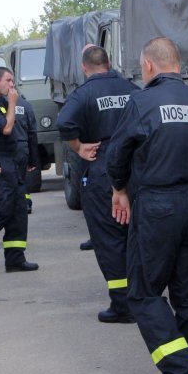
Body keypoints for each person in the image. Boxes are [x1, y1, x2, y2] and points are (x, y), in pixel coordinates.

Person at [107, 37, 188, 374]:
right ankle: (183, 371)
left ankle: (183, 372)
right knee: (186, 292)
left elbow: (117, 153)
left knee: (142, 292)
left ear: (149, 66)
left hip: (157, 206)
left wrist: (119, 187)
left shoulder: (141, 102)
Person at [57, 44, 139, 323]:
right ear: (109, 62)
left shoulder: (83, 94)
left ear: (84, 67)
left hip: (102, 167)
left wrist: (79, 147)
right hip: (134, 169)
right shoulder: (132, 89)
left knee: (108, 239)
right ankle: (142, 297)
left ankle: (122, 305)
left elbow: (64, 123)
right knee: (134, 235)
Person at [0, 67, 38, 273]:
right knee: (2, 208)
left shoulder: (2, 101)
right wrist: (13, 104)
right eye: (8, 80)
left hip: (12, 162)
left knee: (18, 208)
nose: (12, 85)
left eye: (12, 81)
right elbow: (6, 128)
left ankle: (15, 258)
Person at [13, 90, 38, 215]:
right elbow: (32, 134)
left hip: (7, 148)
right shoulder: (26, 105)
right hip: (22, 147)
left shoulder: (0, 104)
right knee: (21, 178)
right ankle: (26, 203)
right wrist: (33, 160)